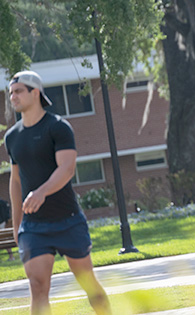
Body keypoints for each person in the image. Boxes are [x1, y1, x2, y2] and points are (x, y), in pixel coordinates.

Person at [6, 71, 111, 314]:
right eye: (11, 93)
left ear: (36, 93)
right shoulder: (12, 137)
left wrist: (41, 192)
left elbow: (67, 168)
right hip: (34, 227)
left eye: (18, 91)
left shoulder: (58, 127)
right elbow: (15, 181)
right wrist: (17, 225)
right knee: (38, 285)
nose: (13, 97)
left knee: (88, 284)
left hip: (68, 221)